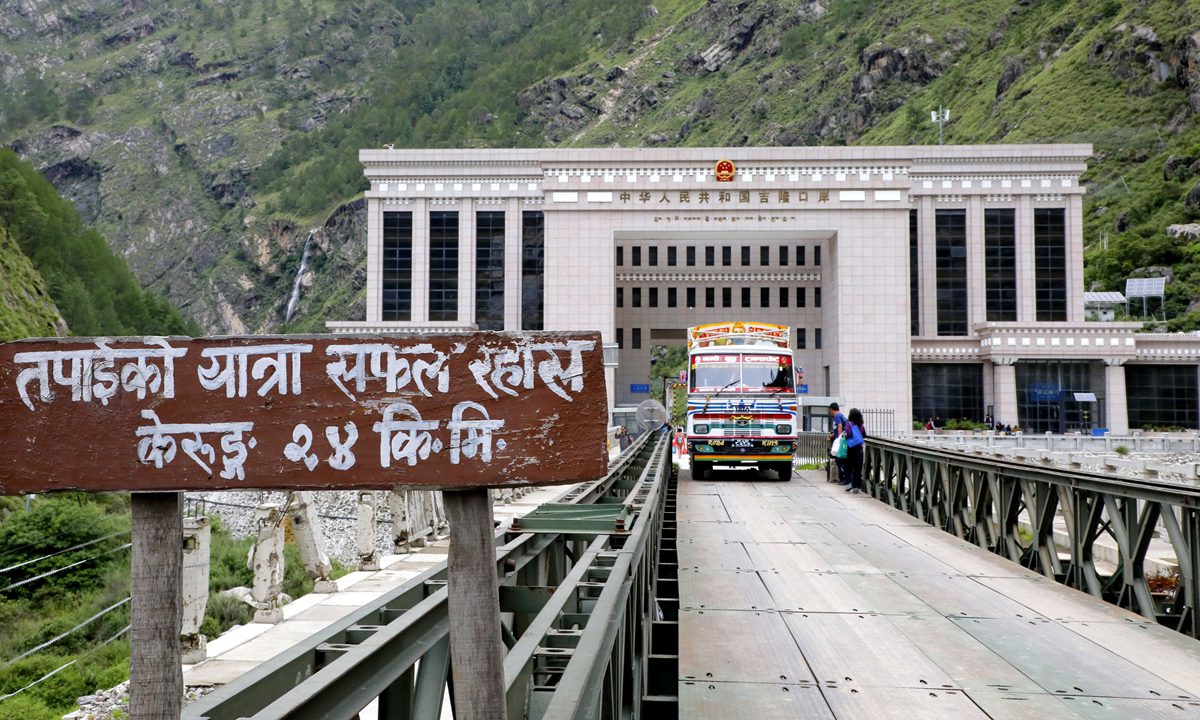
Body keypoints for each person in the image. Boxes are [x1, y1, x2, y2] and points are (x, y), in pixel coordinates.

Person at [843, 407, 866, 494]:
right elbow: (864, 435)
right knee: (858, 468)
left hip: (850, 448)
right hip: (859, 449)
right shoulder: (861, 425)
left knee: (848, 466)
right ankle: (857, 487)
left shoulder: (849, 424)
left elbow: (848, 433)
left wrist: (844, 435)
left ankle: (849, 483)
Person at [828, 402, 847, 484]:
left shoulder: (837, 416)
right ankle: (843, 478)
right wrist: (831, 436)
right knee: (839, 459)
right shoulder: (840, 415)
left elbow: (839, 426)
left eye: (830, 410)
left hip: (841, 441)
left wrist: (839, 439)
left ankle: (843, 478)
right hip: (842, 439)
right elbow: (836, 429)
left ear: (832, 409)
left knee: (839, 460)